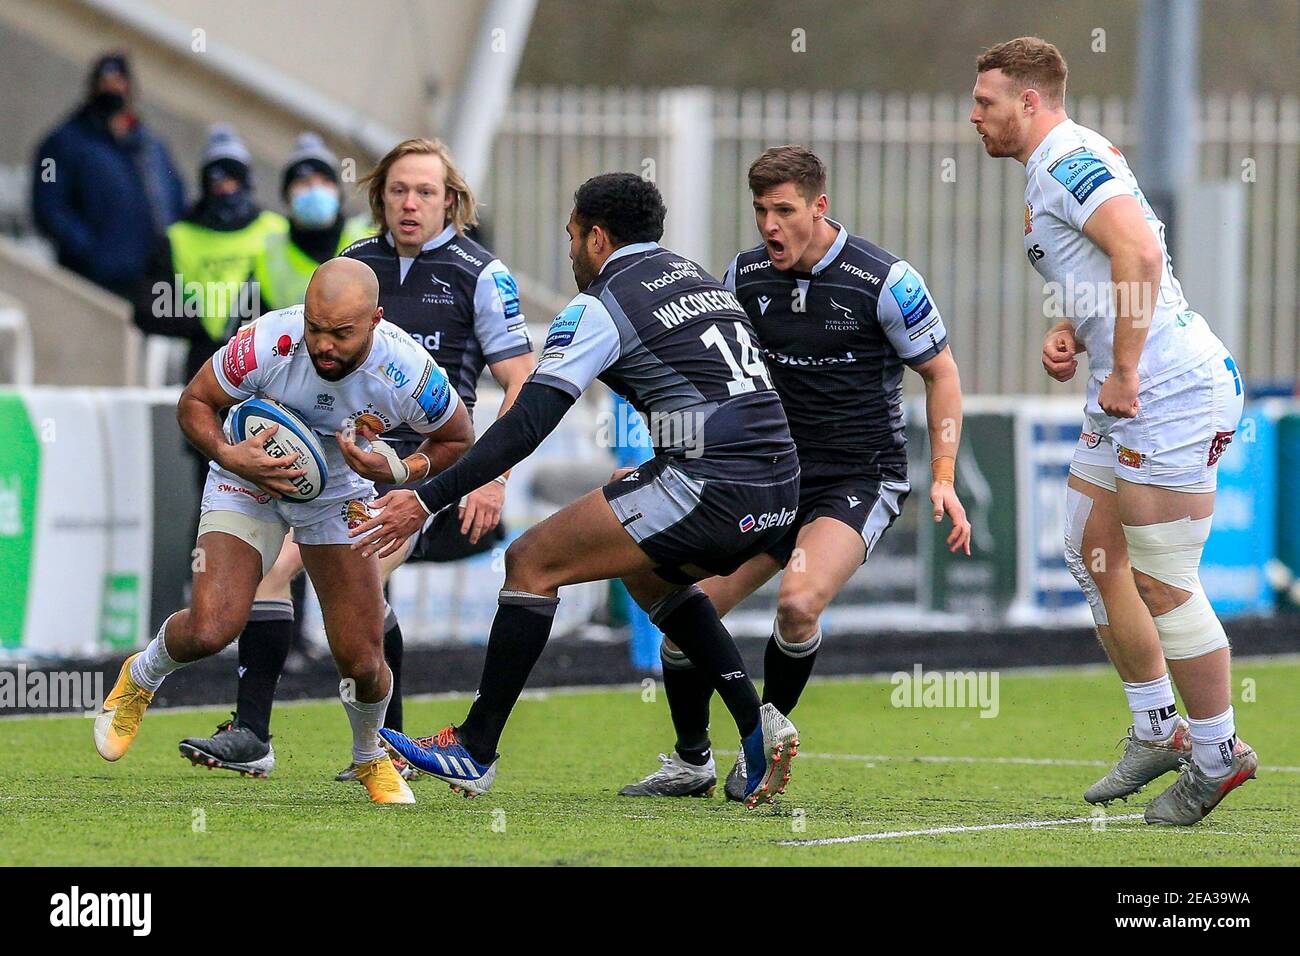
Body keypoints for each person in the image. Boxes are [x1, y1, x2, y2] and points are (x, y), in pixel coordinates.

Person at [357, 173, 802, 808]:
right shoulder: (697, 275)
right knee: (646, 571)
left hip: (714, 484)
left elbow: (527, 424)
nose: (569, 252)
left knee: (531, 561)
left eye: (571, 236)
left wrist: (426, 496)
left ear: (597, 237)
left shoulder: (601, 302)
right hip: (779, 486)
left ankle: (475, 748)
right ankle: (755, 728)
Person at [620, 145, 972, 800]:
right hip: (768, 477)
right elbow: (716, 376)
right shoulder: (744, 276)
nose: (770, 225)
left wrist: (944, 474)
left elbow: (941, 372)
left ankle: (763, 742)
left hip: (857, 480)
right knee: (682, 616)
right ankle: (692, 759)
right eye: (760, 210)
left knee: (799, 603)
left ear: (819, 207)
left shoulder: (885, 280)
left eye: (784, 210)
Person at [176, 138, 534, 782]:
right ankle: (370, 744)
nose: (410, 203)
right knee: (358, 604)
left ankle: (270, 734)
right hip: (333, 465)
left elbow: (521, 376)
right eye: (398, 190)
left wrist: (493, 475)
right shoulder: (354, 264)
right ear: (378, 197)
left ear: (451, 200)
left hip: (423, 470)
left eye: (426, 191)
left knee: (290, 572)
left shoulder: (482, 273)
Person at [971, 36, 1256, 825]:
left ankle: (1217, 752)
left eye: (985, 101)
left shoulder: (1066, 159)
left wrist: (1125, 364)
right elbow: (1113, 263)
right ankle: (1157, 724)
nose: (975, 116)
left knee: (1164, 578)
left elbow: (1137, 250)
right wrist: (1074, 326)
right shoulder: (1060, 161)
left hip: (1166, 389)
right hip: (1129, 385)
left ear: (1029, 101)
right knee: (1091, 550)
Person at [92, 258, 473, 805]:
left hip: (338, 491)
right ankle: (142, 676)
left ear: (376, 321)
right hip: (249, 474)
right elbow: (195, 402)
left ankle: (370, 756)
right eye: (316, 328)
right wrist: (230, 454)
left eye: (341, 333)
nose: (323, 344)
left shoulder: (408, 370)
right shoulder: (269, 340)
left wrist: (398, 471)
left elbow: (458, 439)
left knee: (363, 659)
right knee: (210, 629)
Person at [132, 124, 288, 386]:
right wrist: (202, 324)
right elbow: (147, 308)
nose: (227, 189)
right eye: (218, 181)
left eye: (233, 180)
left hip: (269, 364)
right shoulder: (179, 238)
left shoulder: (276, 230)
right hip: (204, 366)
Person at [31, 52, 186, 298]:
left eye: (119, 82)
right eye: (105, 83)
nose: (113, 89)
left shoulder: (151, 146)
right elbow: (50, 208)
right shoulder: (64, 143)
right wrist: (93, 252)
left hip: (149, 282)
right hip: (92, 283)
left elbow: (175, 200)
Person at [254, 133, 373, 311]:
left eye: (325, 182)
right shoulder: (268, 256)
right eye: (304, 182)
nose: (315, 190)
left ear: (338, 192)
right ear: (287, 196)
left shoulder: (368, 241)